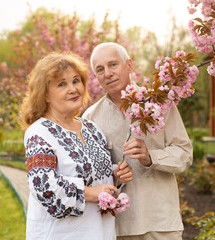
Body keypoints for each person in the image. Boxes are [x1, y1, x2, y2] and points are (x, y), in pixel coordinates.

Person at [82, 42, 193, 240]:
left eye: (113, 64)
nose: (107, 73)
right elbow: (87, 172)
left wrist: (151, 157)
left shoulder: (159, 103)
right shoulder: (90, 118)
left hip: (160, 222)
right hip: (117, 226)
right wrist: (113, 173)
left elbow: (185, 154)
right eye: (100, 69)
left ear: (130, 65)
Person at [20, 52, 133, 240]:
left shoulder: (91, 128)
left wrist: (115, 175)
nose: (73, 89)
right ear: (45, 94)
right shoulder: (39, 132)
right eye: (62, 84)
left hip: (101, 232)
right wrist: (91, 193)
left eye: (76, 81)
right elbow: (44, 188)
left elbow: (95, 175)